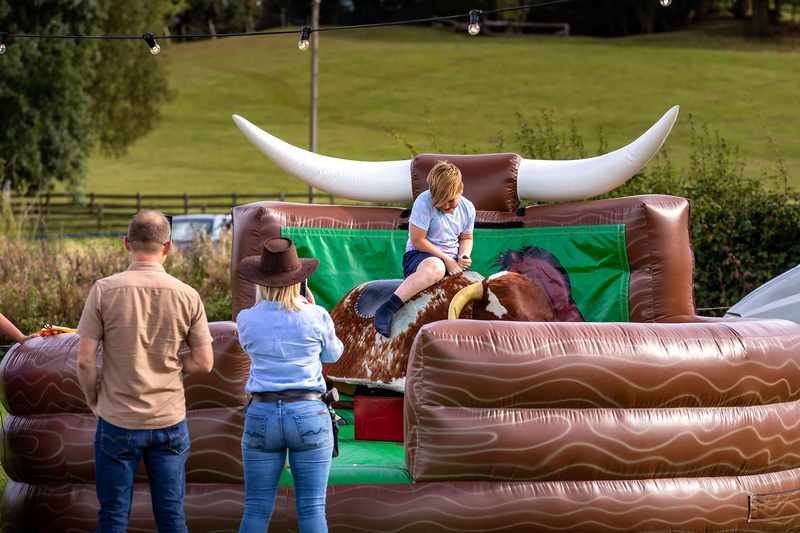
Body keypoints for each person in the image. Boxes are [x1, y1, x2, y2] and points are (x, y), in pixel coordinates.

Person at [76, 210, 214, 533]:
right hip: (169, 419)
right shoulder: (188, 295)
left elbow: (84, 360)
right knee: (171, 515)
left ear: (127, 243)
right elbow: (205, 362)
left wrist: (93, 399)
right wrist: (174, 369)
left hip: (117, 418)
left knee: (112, 515)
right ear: (167, 247)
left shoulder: (103, 291)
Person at [236, 237, 343, 533]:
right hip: (309, 411)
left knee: (256, 508)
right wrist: (315, 311)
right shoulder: (315, 315)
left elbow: (250, 347)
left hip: (261, 412)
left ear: (262, 281)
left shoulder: (246, 319)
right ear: (299, 282)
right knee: (311, 509)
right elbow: (334, 354)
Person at [374, 160, 475, 337]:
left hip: (451, 261)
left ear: (461, 189)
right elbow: (418, 240)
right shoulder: (423, 201)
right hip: (421, 256)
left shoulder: (468, 208)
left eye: (452, 201)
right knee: (436, 267)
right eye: (442, 202)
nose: (447, 207)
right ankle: (388, 308)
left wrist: (464, 254)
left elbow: (466, 237)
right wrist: (447, 260)